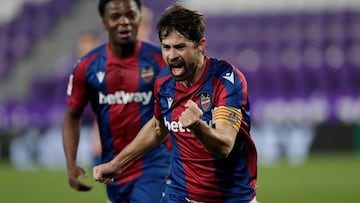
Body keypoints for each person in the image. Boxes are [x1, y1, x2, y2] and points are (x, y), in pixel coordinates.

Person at [93, 4, 259, 203]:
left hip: (231, 197)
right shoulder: (163, 82)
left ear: (200, 45)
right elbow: (157, 128)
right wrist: (118, 164)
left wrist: (198, 126)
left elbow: (224, 146)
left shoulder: (225, 79)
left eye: (180, 47)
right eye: (166, 47)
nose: (172, 56)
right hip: (178, 195)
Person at [62, 0, 170, 202]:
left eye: (130, 15)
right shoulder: (88, 66)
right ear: (104, 22)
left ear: (139, 18)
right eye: (115, 17)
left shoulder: (160, 61)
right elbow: (72, 115)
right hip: (113, 171)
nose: (124, 22)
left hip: (155, 165)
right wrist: (71, 163)